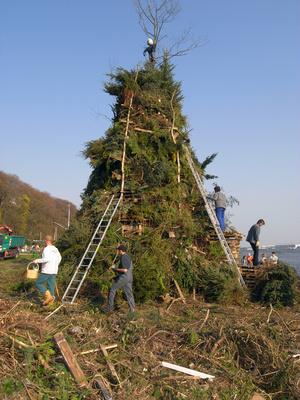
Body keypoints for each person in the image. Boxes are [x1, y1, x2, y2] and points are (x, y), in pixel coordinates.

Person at [101, 245, 135, 314]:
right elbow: (128, 269)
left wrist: (115, 269)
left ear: (120, 250)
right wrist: (117, 276)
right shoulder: (128, 257)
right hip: (129, 277)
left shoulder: (123, 257)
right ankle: (132, 310)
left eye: (118, 250)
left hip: (124, 277)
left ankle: (109, 308)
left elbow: (125, 270)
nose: (118, 252)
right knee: (129, 294)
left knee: (112, 289)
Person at [33, 235, 61, 307]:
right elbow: (59, 258)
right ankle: (50, 304)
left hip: (47, 270)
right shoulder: (55, 249)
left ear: (45, 241)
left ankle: (48, 297)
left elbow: (46, 259)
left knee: (38, 283)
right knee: (51, 286)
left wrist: (37, 261)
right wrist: (55, 265)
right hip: (54, 270)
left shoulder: (46, 249)